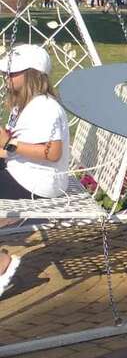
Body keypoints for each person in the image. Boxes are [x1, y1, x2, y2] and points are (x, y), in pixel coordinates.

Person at [0, 45, 71, 297]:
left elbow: (52, 153)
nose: (6, 77)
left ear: (32, 74)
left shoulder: (45, 107)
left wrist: (9, 144)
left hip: (37, 182)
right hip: (24, 173)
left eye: (12, 73)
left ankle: (2, 264)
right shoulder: (27, 105)